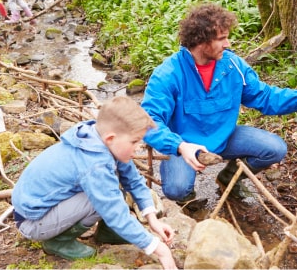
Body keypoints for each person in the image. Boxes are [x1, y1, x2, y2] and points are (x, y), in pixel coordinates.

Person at [141, 3, 297, 202]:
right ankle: (188, 197)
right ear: (201, 40)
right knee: (176, 189)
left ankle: (228, 178)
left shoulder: (233, 65)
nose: (228, 44)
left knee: (275, 148)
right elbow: (148, 121)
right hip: (185, 145)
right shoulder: (169, 73)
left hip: (225, 137)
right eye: (222, 39)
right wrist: (179, 145)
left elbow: (264, 96)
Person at [11, 96, 177, 269]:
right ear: (111, 138)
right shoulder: (94, 163)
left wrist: (152, 219)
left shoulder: (99, 138)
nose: (139, 147)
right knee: (100, 199)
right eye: (134, 142)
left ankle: (108, 233)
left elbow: (133, 181)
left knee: (111, 188)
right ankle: (57, 242)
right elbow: (114, 211)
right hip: (32, 221)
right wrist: (159, 249)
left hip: (43, 206)